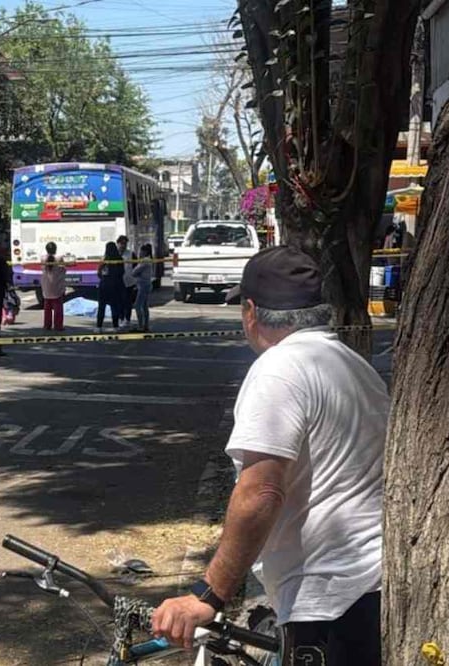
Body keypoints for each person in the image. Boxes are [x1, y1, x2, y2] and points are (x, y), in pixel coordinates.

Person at [151, 246, 389, 666]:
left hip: (327, 596)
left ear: (251, 312)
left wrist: (210, 593)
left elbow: (260, 491)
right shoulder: (353, 365)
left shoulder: (279, 368)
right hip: (369, 585)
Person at [95, 241, 124, 333]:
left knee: (101, 306)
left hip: (104, 285)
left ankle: (99, 327)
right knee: (114, 306)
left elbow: (99, 273)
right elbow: (122, 272)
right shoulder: (119, 259)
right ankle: (116, 326)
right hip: (115, 285)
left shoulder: (104, 260)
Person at [41, 241, 66, 331]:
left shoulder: (43, 258)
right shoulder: (59, 258)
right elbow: (63, 269)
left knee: (47, 307)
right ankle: (58, 325)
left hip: (46, 285)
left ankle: (47, 325)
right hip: (57, 285)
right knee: (58, 307)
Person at [131, 243, 153, 332]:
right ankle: (146, 325)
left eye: (141, 251)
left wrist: (136, 272)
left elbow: (134, 272)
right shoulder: (148, 260)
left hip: (143, 285)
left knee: (137, 305)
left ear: (145, 252)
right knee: (144, 306)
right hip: (145, 284)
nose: (139, 253)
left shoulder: (145, 261)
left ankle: (141, 325)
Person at [116, 235, 137, 327]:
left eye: (125, 243)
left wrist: (136, 279)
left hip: (129, 281)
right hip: (117, 282)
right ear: (118, 243)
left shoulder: (131, 254)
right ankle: (121, 318)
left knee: (128, 302)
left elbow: (136, 266)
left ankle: (127, 319)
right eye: (122, 243)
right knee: (119, 301)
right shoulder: (114, 254)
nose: (123, 245)